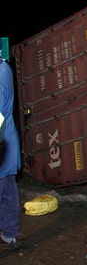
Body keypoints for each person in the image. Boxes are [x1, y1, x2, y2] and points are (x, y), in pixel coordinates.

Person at [0, 44, 21, 248]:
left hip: (2, 144)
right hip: (7, 143)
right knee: (8, 192)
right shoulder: (4, 68)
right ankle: (10, 233)